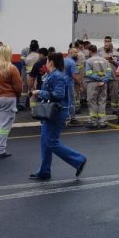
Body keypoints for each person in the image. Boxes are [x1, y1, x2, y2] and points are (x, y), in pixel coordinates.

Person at [30, 53, 86, 181]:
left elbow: (59, 94)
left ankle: (79, 160)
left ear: (51, 62)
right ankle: (44, 171)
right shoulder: (53, 75)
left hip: (56, 112)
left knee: (51, 142)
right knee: (45, 142)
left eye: (47, 61)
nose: (45, 64)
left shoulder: (57, 76)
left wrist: (39, 92)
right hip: (50, 112)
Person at [84, 45, 113, 128]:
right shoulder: (105, 60)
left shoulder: (89, 61)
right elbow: (109, 73)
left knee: (92, 101)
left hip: (93, 83)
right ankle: (103, 121)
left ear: (90, 51)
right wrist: (103, 80)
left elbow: (88, 74)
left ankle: (93, 121)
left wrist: (98, 79)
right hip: (104, 84)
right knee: (102, 102)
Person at [98, 36, 119, 115]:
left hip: (114, 76)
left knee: (114, 94)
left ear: (111, 43)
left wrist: (113, 62)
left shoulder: (117, 53)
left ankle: (115, 109)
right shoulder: (100, 53)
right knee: (102, 94)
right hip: (103, 77)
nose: (107, 43)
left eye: (108, 42)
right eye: (106, 42)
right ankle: (102, 109)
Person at [27, 47, 49, 112]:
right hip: (52, 87)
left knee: (41, 103)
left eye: (39, 54)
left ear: (41, 54)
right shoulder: (52, 62)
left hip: (41, 87)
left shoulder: (38, 64)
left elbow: (32, 78)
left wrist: (30, 88)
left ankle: (39, 113)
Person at [20, 41, 40, 110]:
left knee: (31, 90)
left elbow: (23, 64)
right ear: (37, 48)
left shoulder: (27, 57)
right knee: (38, 90)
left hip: (28, 76)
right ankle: (38, 107)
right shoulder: (39, 57)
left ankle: (32, 108)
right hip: (37, 76)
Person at [63, 48, 80, 126]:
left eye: (77, 52)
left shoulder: (63, 60)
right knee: (71, 101)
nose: (77, 54)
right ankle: (72, 118)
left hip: (61, 84)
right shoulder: (72, 62)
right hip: (69, 84)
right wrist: (80, 84)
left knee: (64, 101)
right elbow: (75, 76)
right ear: (70, 53)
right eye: (75, 52)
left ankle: (64, 118)